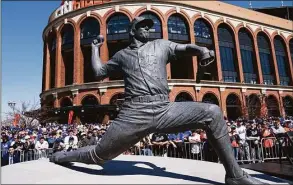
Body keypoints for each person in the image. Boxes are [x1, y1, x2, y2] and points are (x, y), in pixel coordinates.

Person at [50, 16, 265, 184]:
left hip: (164, 109)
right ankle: (61, 157)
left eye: (148, 26)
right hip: (133, 114)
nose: (147, 29)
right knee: (99, 155)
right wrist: (95, 48)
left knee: (213, 112)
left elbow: (183, 48)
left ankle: (235, 175)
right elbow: (98, 71)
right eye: (143, 26)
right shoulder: (122, 55)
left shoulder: (160, 45)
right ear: (133, 30)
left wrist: (200, 49)